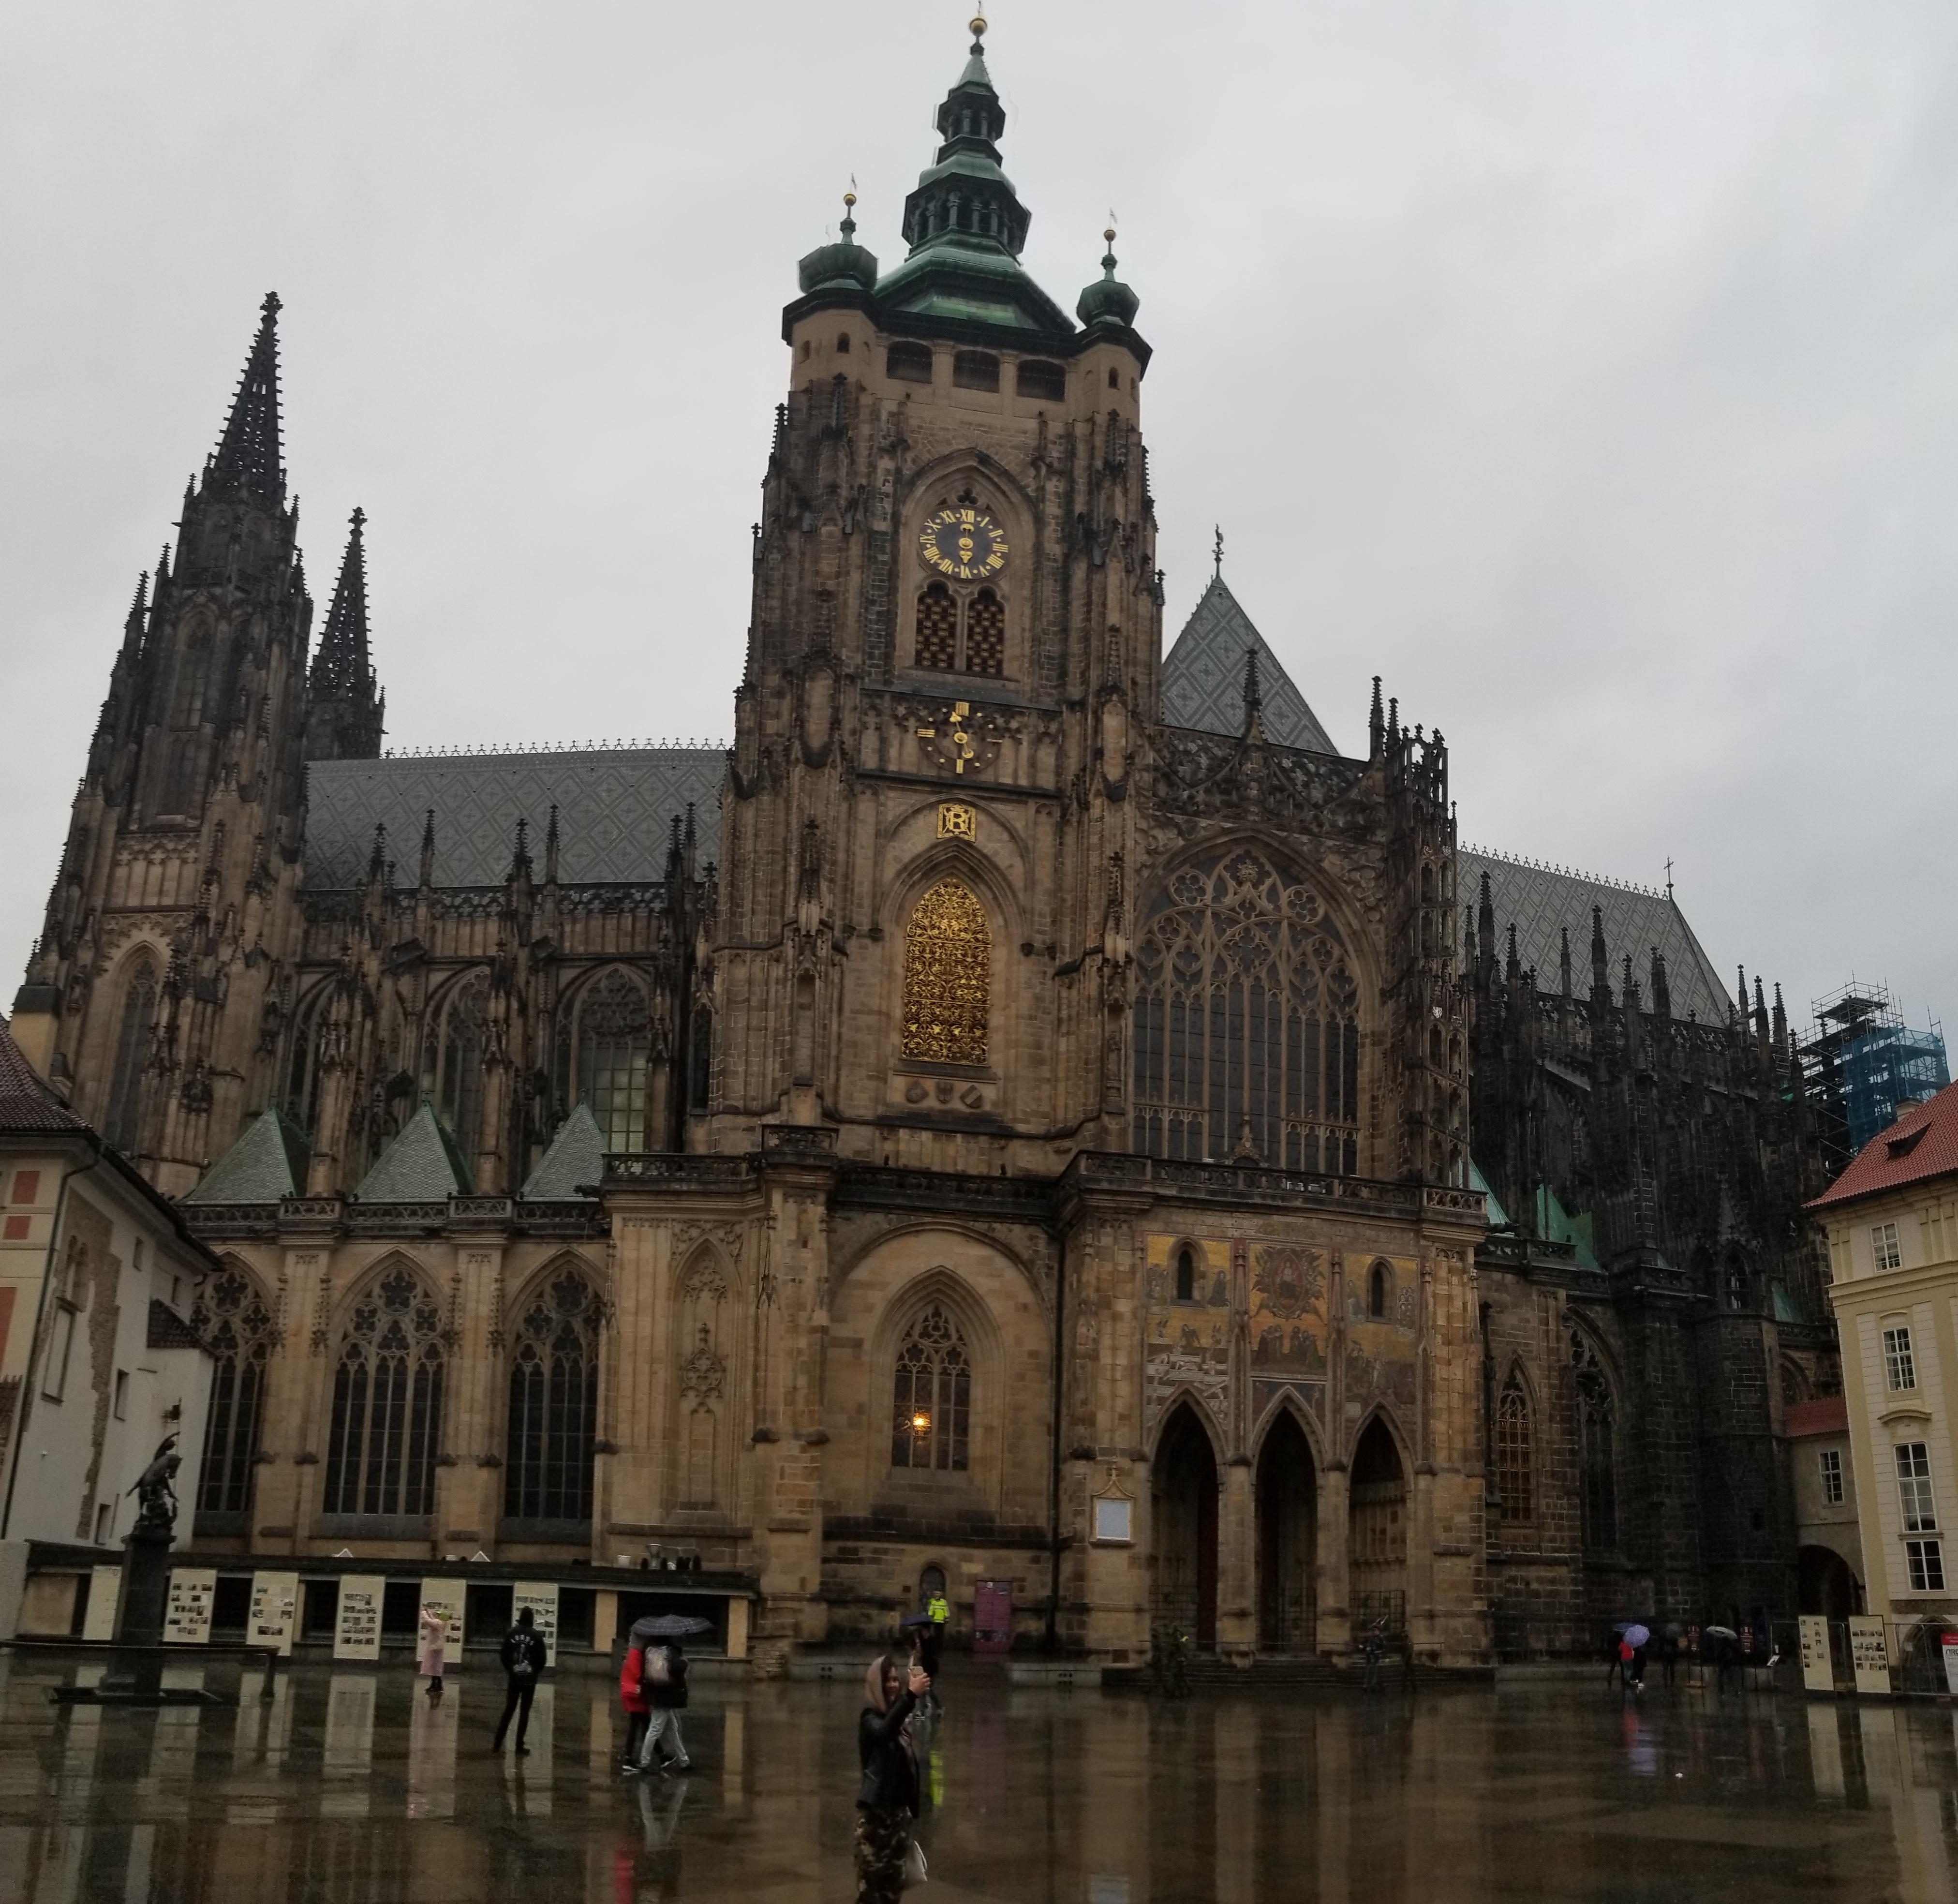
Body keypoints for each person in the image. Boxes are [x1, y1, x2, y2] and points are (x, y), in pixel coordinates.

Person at [857, 1652, 929, 1904]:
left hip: (899, 1818)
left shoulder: (899, 1723)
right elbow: (883, 1733)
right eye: (887, 1681)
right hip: (877, 1818)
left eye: (896, 1681)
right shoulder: (869, 1719)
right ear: (876, 1684)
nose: (893, 1685)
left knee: (893, 1889)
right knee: (871, 1892)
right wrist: (910, 1697)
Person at [491, 1605, 547, 1755]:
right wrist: (534, 1673)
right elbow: (542, 1659)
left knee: (509, 1710)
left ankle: (497, 1744)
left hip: (514, 1679)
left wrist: (511, 1670)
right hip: (530, 1681)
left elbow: (504, 1655)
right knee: (524, 1712)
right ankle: (519, 1745)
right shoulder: (536, 1636)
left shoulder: (511, 1634)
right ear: (532, 1619)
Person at [635, 1637, 692, 1774]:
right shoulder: (669, 1651)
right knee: (655, 1729)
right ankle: (644, 1762)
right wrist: (684, 1662)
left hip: (656, 1694)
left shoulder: (650, 1650)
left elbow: (644, 1671)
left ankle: (684, 1761)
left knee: (673, 1729)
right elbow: (678, 1668)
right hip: (667, 1696)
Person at [620, 1638, 651, 1770]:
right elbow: (636, 1674)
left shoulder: (635, 1654)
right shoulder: (635, 1654)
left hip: (637, 1695)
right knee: (642, 1726)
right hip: (635, 1695)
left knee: (646, 1725)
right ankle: (629, 1758)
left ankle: (659, 1755)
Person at [418, 1603, 448, 1702]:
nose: (437, 1616)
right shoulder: (441, 1623)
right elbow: (432, 1619)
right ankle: (436, 1684)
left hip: (435, 1648)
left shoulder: (438, 1624)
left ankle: (437, 1685)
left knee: (434, 1666)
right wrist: (428, 1611)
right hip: (437, 1647)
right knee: (435, 1666)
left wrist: (423, 1612)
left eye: (439, 1615)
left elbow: (428, 1621)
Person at [1361, 1618, 1388, 1693]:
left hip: (1377, 1658)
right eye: (1373, 1631)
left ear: (1378, 1631)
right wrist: (1365, 1648)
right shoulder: (1371, 1639)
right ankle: (1367, 1685)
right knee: (1368, 1672)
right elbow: (1365, 1645)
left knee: (1376, 1673)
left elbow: (1383, 1648)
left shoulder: (1381, 1639)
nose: (1374, 1632)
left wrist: (1378, 1653)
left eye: (1375, 1631)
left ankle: (1374, 1686)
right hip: (1370, 1658)